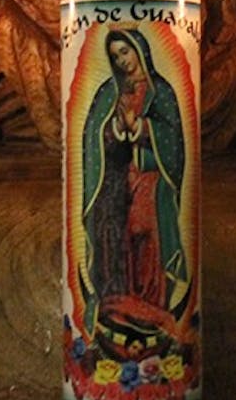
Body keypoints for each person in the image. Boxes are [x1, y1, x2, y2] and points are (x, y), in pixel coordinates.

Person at [79, 28, 190, 358]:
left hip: (151, 180)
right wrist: (114, 130)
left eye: (125, 52)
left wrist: (143, 129)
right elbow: (93, 140)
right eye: (115, 56)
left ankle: (151, 310)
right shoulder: (108, 92)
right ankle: (120, 310)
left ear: (139, 50)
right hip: (118, 183)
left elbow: (174, 142)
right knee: (121, 239)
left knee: (146, 237)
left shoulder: (162, 92)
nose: (122, 61)